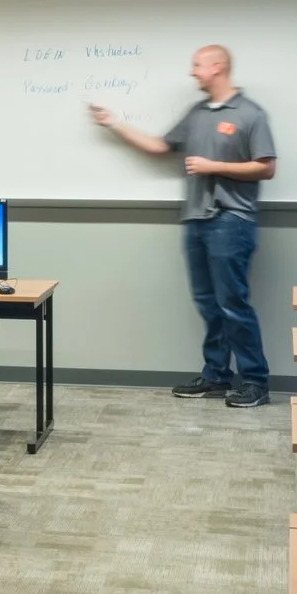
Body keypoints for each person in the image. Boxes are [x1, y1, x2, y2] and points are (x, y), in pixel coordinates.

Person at [90, 44, 278, 407]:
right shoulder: (196, 113)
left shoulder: (250, 114)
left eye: (197, 65)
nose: (192, 72)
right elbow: (160, 146)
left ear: (217, 67)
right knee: (208, 304)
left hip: (231, 220)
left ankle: (255, 382)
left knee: (233, 304)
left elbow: (266, 166)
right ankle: (217, 376)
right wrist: (113, 123)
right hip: (195, 220)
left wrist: (213, 167)